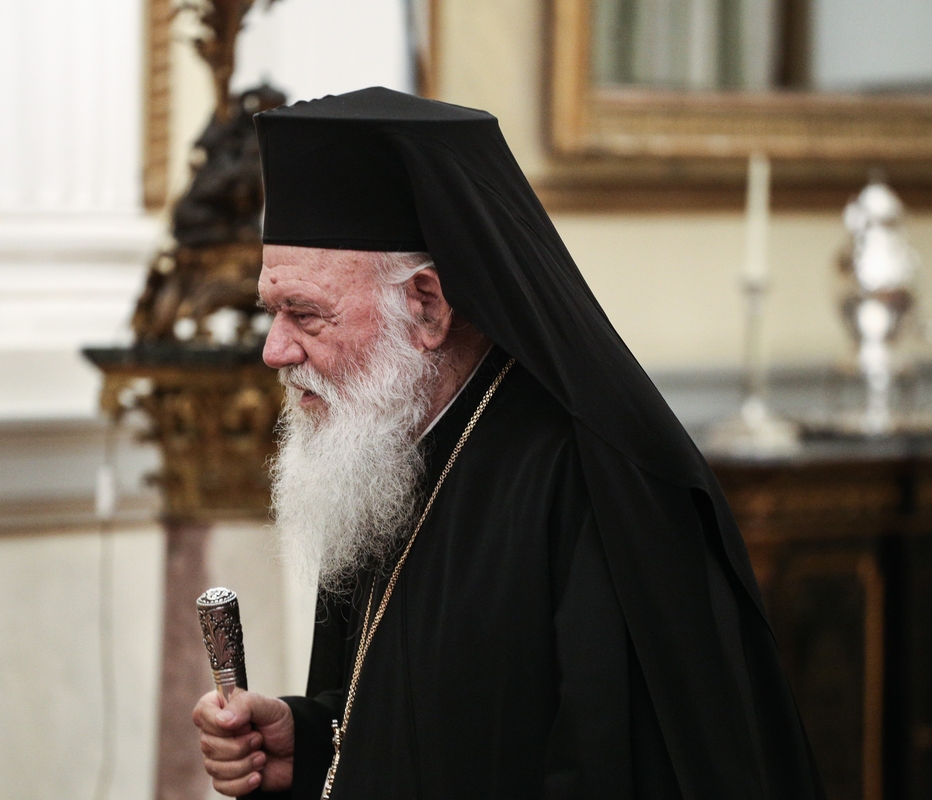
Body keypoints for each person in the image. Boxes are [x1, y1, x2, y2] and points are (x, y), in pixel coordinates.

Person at [192, 87, 825, 800]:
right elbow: (422, 712)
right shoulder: (380, 450)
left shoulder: (591, 484)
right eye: (271, 312)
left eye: (305, 314)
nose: (275, 350)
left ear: (427, 305)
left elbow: (613, 768)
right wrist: (309, 744)